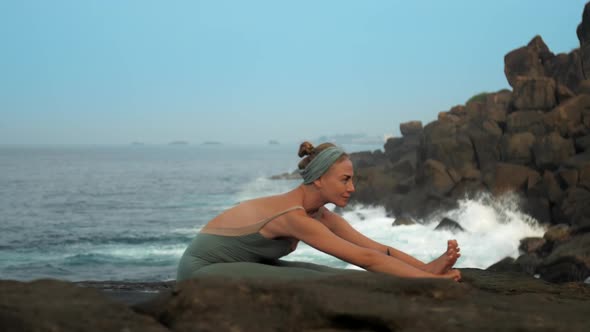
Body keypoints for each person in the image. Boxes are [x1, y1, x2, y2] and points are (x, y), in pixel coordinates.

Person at [177, 142, 461, 282]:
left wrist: (425, 268)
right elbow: (364, 259)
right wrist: (430, 283)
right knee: (320, 280)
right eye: (345, 179)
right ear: (319, 179)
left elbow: (376, 249)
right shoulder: (294, 216)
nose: (352, 188)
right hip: (201, 271)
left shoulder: (321, 215)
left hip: (235, 265)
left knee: (322, 272)